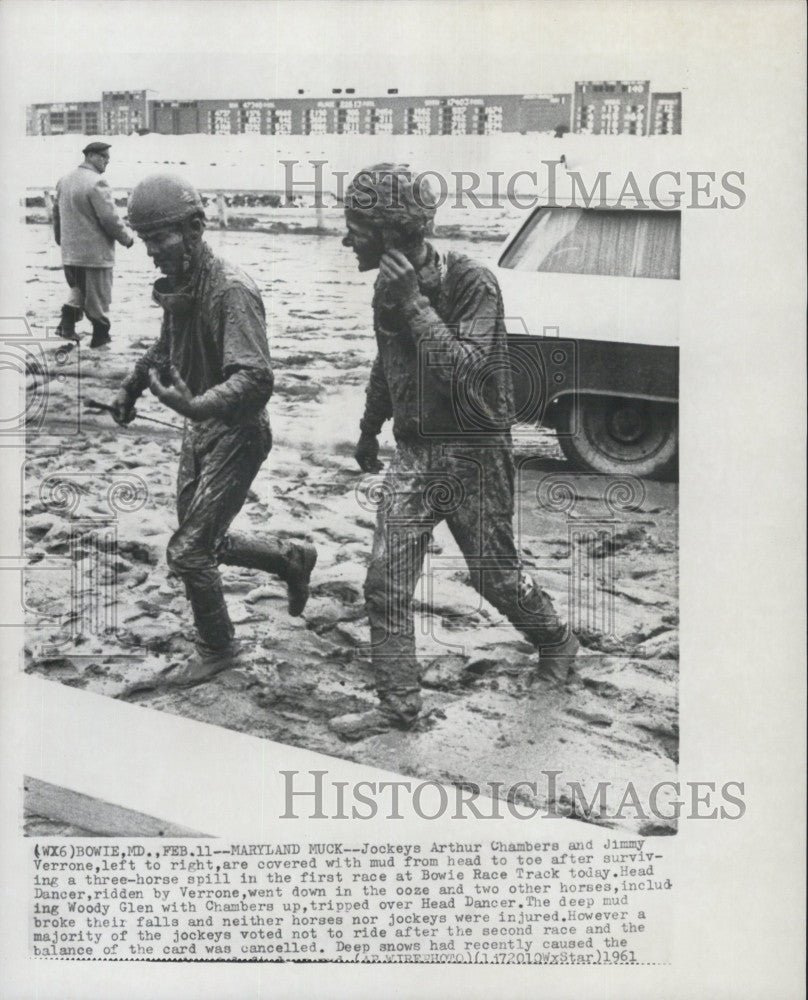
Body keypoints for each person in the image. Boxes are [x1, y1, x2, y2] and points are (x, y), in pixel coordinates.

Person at [331, 163, 579, 738]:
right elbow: (386, 360)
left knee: (495, 577)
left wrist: (414, 304)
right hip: (417, 455)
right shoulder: (386, 285)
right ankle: (398, 706)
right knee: (384, 583)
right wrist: (370, 426)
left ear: (391, 233)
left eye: (356, 227)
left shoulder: (471, 282)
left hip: (474, 453)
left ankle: (557, 642)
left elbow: (470, 375)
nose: (347, 239)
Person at [110, 173, 317, 687]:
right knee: (203, 541)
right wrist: (132, 388)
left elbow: (256, 378)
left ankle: (219, 649)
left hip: (239, 434)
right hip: (200, 428)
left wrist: (200, 405)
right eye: (147, 240)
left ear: (196, 227)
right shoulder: (185, 285)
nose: (152, 251)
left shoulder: (231, 290)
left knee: (188, 551)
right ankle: (290, 559)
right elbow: (166, 347)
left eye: (161, 238)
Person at [53, 141, 134, 347]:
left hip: (71, 253)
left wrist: (60, 239)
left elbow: (56, 214)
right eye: (104, 157)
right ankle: (100, 337)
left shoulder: (64, 180)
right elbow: (110, 219)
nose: (107, 161)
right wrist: (127, 238)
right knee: (99, 298)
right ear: (90, 156)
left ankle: (66, 325)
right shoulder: (97, 183)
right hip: (95, 255)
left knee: (78, 290)